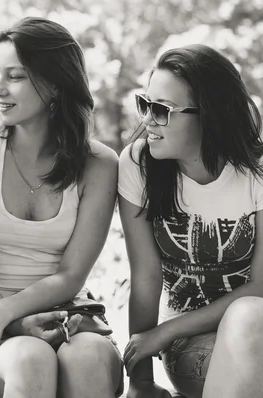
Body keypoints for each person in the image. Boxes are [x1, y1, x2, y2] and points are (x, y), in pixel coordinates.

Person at [0, 17, 123, 398]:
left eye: (16, 77)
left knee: (87, 356)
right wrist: (7, 319)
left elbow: (72, 275)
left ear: (55, 83)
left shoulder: (99, 164)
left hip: (71, 318)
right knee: (30, 357)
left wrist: (7, 313)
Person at [119, 44, 263, 398]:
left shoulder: (256, 171)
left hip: (254, 327)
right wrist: (141, 382)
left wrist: (163, 332)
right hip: (191, 343)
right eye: (145, 105)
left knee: (250, 315)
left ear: (209, 115)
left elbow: (261, 287)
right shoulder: (139, 165)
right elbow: (146, 278)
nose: (147, 121)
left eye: (162, 110)